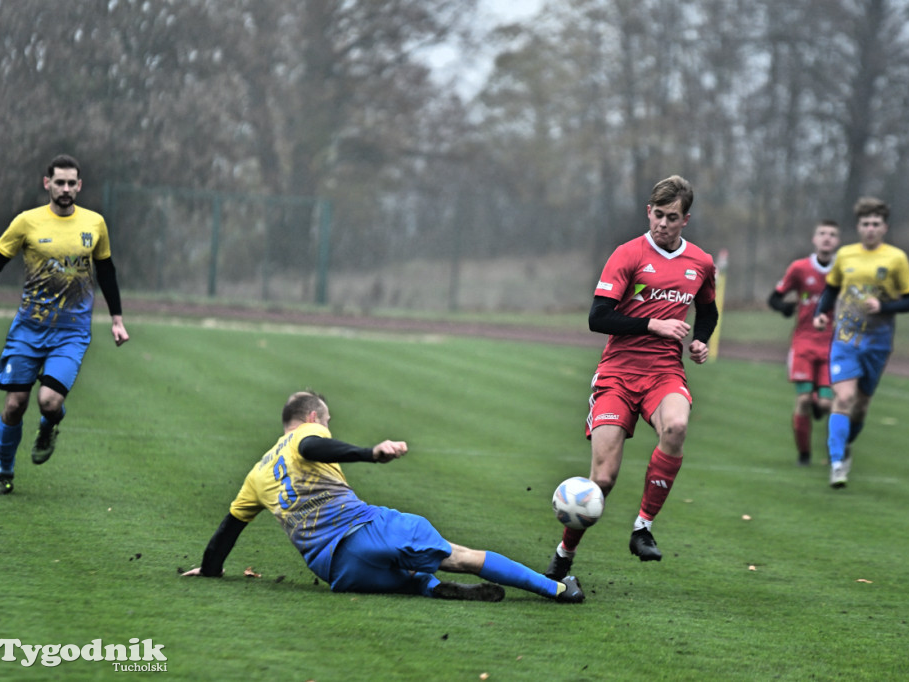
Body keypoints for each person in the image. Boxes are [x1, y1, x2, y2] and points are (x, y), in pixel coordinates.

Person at [182, 390, 585, 604]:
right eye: (326, 421)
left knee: (413, 581)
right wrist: (368, 454)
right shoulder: (306, 435)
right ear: (311, 418)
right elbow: (313, 450)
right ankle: (558, 590)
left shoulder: (256, 474)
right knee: (459, 556)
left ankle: (427, 586)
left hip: (336, 571)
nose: (326, 427)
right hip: (367, 529)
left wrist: (210, 569)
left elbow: (227, 531)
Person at [545, 175, 718, 580]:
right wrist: (653, 325)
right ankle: (564, 555)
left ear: (685, 220)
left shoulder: (701, 263)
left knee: (675, 427)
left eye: (671, 217)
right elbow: (598, 317)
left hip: (664, 372)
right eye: (657, 214)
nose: (662, 223)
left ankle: (643, 528)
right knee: (602, 480)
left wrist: (701, 340)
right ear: (648, 212)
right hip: (618, 375)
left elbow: (706, 309)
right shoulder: (628, 254)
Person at [0, 154, 129, 496]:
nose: (65, 189)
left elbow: (106, 271)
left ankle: (49, 426)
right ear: (46, 183)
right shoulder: (26, 222)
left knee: (49, 402)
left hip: (71, 332)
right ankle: (4, 474)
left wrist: (117, 319)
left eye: (71, 183)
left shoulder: (94, 223)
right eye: (59, 182)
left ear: (79, 185)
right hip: (28, 328)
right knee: (14, 404)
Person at [813, 197, 909, 488]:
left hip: (878, 342)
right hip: (845, 339)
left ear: (884, 227)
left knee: (860, 406)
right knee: (844, 398)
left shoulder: (896, 258)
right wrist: (821, 314)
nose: (870, 229)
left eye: (875, 224)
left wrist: (883, 306)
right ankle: (836, 463)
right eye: (865, 224)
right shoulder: (845, 255)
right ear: (858, 227)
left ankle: (844, 444)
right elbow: (831, 290)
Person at [767, 220, 840, 465]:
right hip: (804, 342)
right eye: (822, 233)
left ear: (837, 240)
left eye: (832, 234)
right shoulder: (799, 268)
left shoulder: (843, 269)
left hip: (832, 345)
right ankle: (804, 454)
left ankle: (834, 439)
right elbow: (774, 298)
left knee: (828, 403)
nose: (827, 238)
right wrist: (786, 307)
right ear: (814, 239)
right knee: (804, 400)